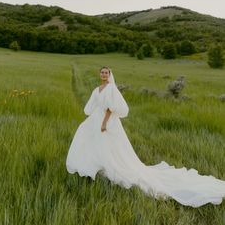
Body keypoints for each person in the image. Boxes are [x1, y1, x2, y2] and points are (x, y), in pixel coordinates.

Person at [66, 66, 225, 207]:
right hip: (96, 117)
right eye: (102, 72)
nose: (104, 75)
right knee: (89, 139)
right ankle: (96, 168)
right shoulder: (97, 89)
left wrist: (104, 123)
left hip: (106, 121)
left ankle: (108, 169)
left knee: (109, 146)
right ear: (99, 74)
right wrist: (95, 117)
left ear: (110, 75)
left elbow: (110, 108)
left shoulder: (111, 89)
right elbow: (91, 106)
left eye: (106, 73)